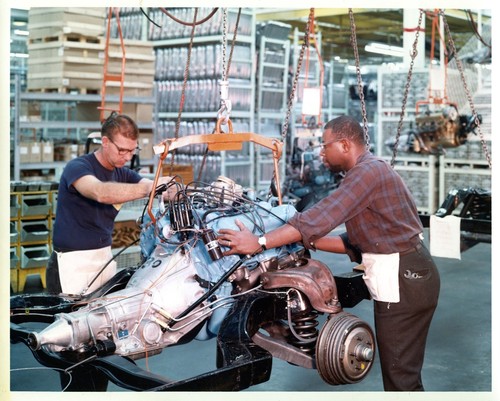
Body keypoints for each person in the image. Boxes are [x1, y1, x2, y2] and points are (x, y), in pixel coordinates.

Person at [217, 115, 440, 391]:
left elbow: (318, 219)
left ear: (345, 145)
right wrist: (305, 241)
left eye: (325, 146)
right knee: (403, 374)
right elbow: (354, 241)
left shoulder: (365, 174)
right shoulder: (373, 169)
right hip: (413, 271)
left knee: (400, 381)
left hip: (403, 278)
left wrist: (260, 241)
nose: (322, 153)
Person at [47, 113, 176, 296]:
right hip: (72, 263)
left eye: (132, 151)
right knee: (70, 319)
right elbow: (100, 192)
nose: (127, 157)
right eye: (122, 150)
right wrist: (151, 188)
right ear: (105, 142)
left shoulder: (123, 174)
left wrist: (173, 189)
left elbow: (148, 184)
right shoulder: (78, 167)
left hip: (103, 258)